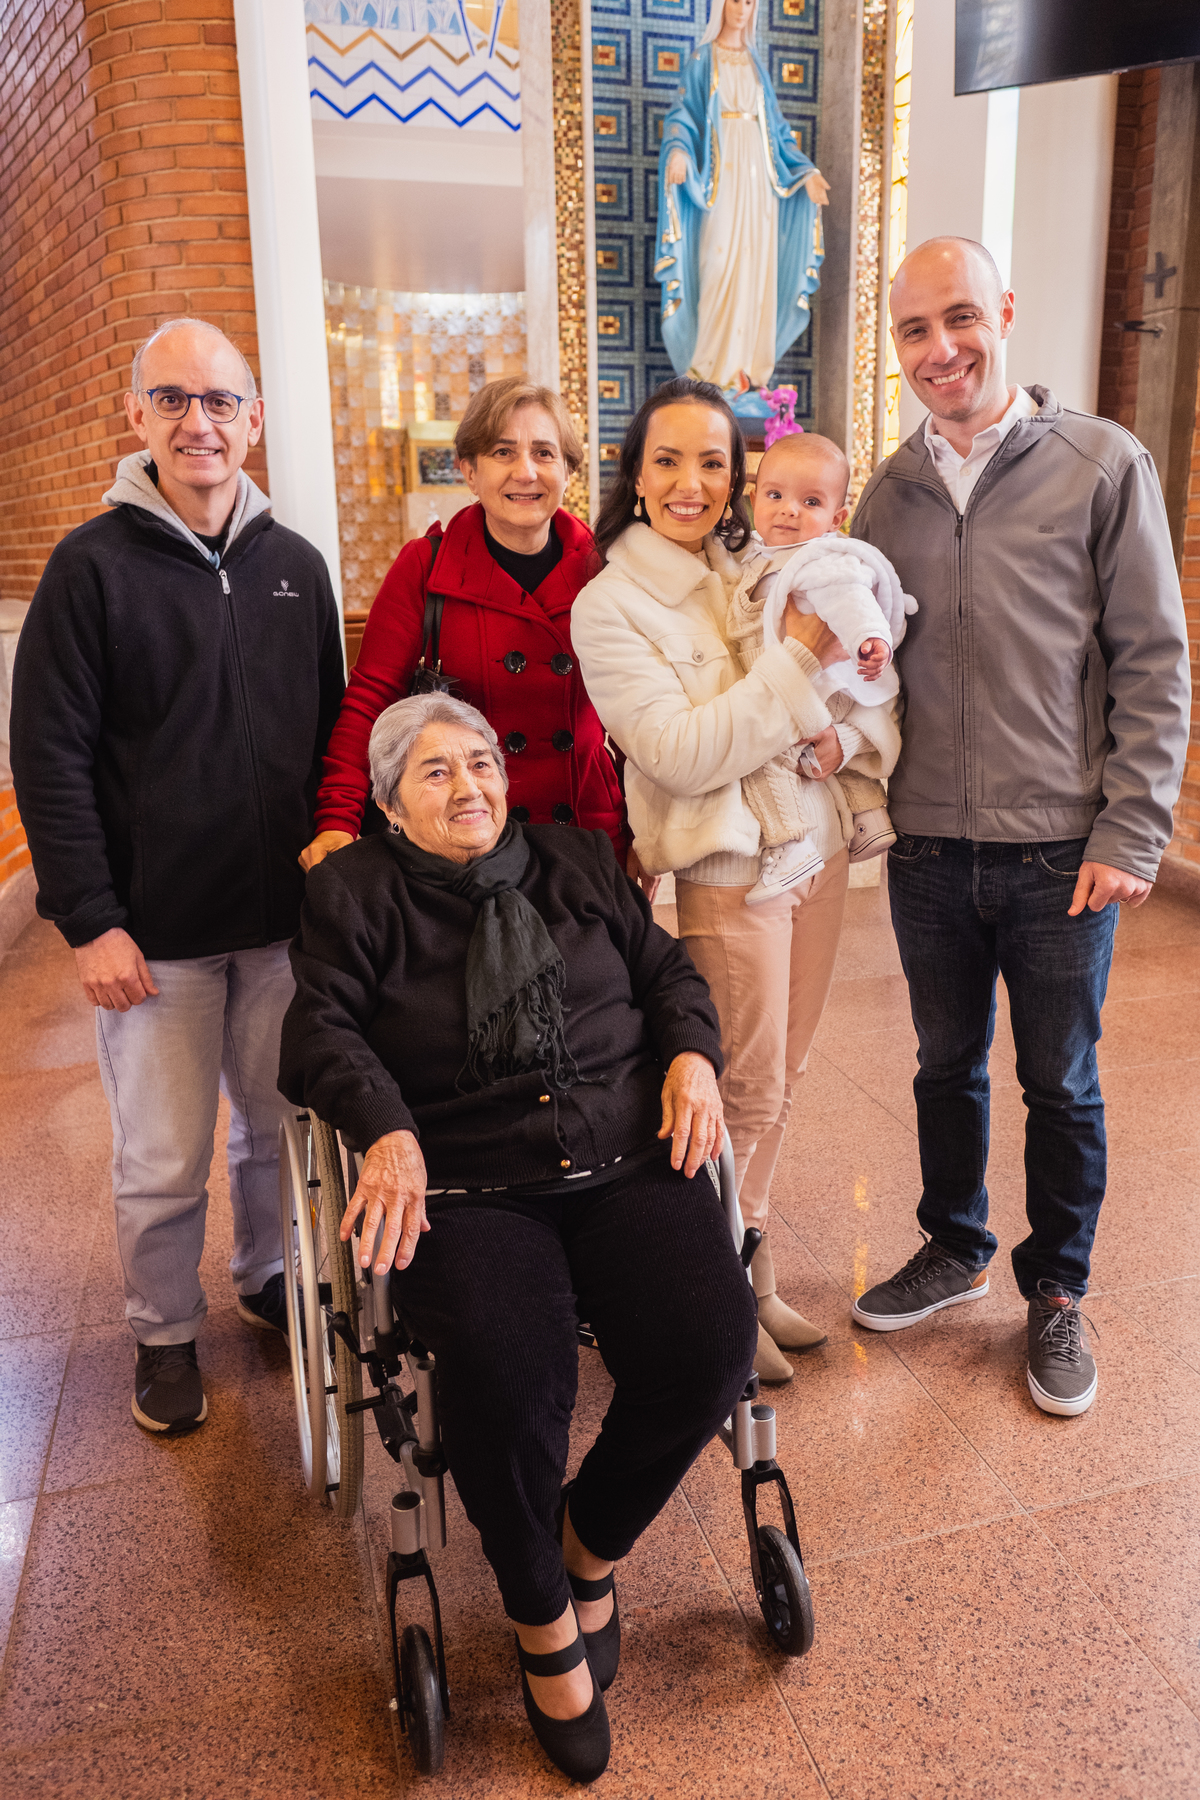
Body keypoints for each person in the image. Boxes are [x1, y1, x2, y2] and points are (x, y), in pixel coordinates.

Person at [278, 693, 755, 1784]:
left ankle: (586, 1541)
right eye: (436, 772)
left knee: (709, 1346)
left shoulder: (578, 861)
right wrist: (387, 1130)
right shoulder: (356, 895)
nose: (471, 788)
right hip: (467, 1180)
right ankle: (543, 1614)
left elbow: (670, 973)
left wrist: (688, 1055)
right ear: (392, 800)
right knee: (508, 1369)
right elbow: (320, 1029)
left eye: (482, 763)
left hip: (623, 1153)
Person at [850, 237, 1191, 1417]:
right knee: (945, 1065)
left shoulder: (1102, 463)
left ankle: (1056, 1295)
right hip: (930, 848)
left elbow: (1155, 661)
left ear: (1003, 309)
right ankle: (954, 1244)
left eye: (958, 319)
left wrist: (1131, 830)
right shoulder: (885, 492)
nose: (939, 350)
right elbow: (858, 666)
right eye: (913, 331)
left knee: (1061, 1080)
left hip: (1061, 850)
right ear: (895, 346)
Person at [9, 317, 345, 1437]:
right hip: (155, 937)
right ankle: (161, 1332)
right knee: (162, 1157)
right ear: (136, 416)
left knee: (275, 1126)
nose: (198, 421)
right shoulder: (89, 569)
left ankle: (262, 1278)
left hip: (282, 929)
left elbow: (331, 742)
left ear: (254, 419)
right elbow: (47, 756)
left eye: (219, 401)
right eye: (172, 399)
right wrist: (91, 920)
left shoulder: (295, 566)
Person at [571, 376, 899, 1383]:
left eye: (713, 462)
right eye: (668, 460)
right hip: (727, 868)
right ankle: (710, 1298)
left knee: (785, 1081)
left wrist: (846, 731)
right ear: (635, 474)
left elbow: (876, 698)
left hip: (819, 850)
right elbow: (677, 752)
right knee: (736, 1090)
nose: (691, 482)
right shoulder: (610, 603)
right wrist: (796, 665)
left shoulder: (766, 566)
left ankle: (747, 1274)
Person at [301, 377, 630, 880]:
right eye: (503, 452)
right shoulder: (424, 567)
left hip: (586, 835)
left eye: (544, 452)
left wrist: (649, 833)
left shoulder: (610, 569)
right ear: (470, 471)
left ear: (568, 470)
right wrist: (337, 821)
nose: (526, 471)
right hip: (463, 838)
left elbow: (643, 718)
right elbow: (369, 702)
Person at [727, 432, 906, 904]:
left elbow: (853, 601)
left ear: (836, 518)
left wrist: (871, 640)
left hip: (818, 682)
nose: (788, 509)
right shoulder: (765, 555)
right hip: (809, 681)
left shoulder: (824, 560)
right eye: (775, 495)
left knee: (769, 757)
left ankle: (790, 844)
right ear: (752, 500)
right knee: (822, 753)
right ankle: (868, 818)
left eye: (810, 500)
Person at [657, 0, 828, 397]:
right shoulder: (703, 58)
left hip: (760, 187)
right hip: (721, 185)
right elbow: (682, 114)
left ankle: (747, 375)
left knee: (755, 272)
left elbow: (779, 131)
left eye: (750, 1)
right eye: (735, 0)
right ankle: (709, 372)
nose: (742, 8)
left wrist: (806, 173)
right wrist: (679, 151)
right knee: (717, 265)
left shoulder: (755, 64)